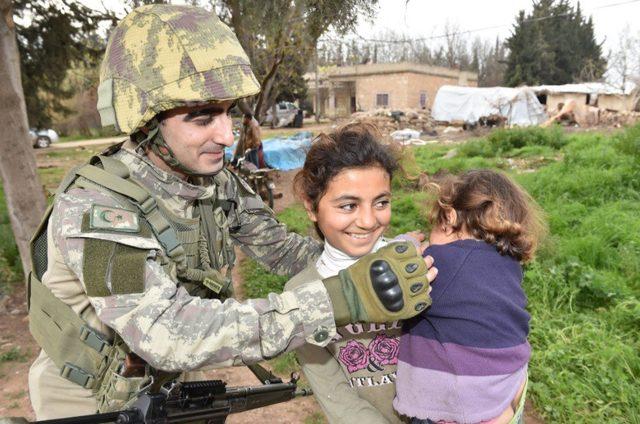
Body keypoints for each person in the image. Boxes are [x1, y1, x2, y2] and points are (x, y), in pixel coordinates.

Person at [25, 4, 436, 420]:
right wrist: (345, 296)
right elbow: (168, 332)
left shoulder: (215, 184)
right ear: (148, 121)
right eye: (203, 118)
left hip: (172, 388)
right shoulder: (97, 208)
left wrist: (379, 258)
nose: (226, 135)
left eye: (229, 112)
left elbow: (286, 251)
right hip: (90, 402)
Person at [285, 123, 423, 423]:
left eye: (382, 203)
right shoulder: (301, 293)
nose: (368, 221)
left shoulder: (415, 264)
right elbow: (335, 394)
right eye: (348, 205)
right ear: (311, 206)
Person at [393, 170, 547, 424]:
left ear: (448, 217)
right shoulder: (508, 264)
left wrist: (404, 244)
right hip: (504, 397)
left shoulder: (442, 262)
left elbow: (396, 272)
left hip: (457, 411)